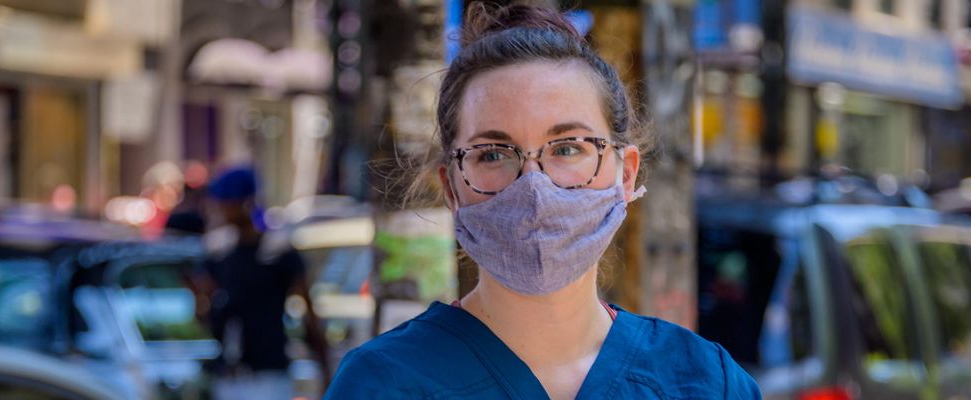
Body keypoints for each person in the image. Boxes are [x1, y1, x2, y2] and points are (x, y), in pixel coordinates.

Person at [325, 4, 761, 399]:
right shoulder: (381, 385)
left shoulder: (706, 383)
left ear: (625, 174)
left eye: (568, 147)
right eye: (493, 154)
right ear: (452, 186)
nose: (533, 187)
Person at [202, 167, 330, 399]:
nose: (221, 210)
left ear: (246, 203)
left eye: (227, 203)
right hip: (228, 375)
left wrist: (325, 368)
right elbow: (207, 311)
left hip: (270, 374)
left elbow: (307, 312)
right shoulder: (220, 252)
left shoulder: (277, 251)